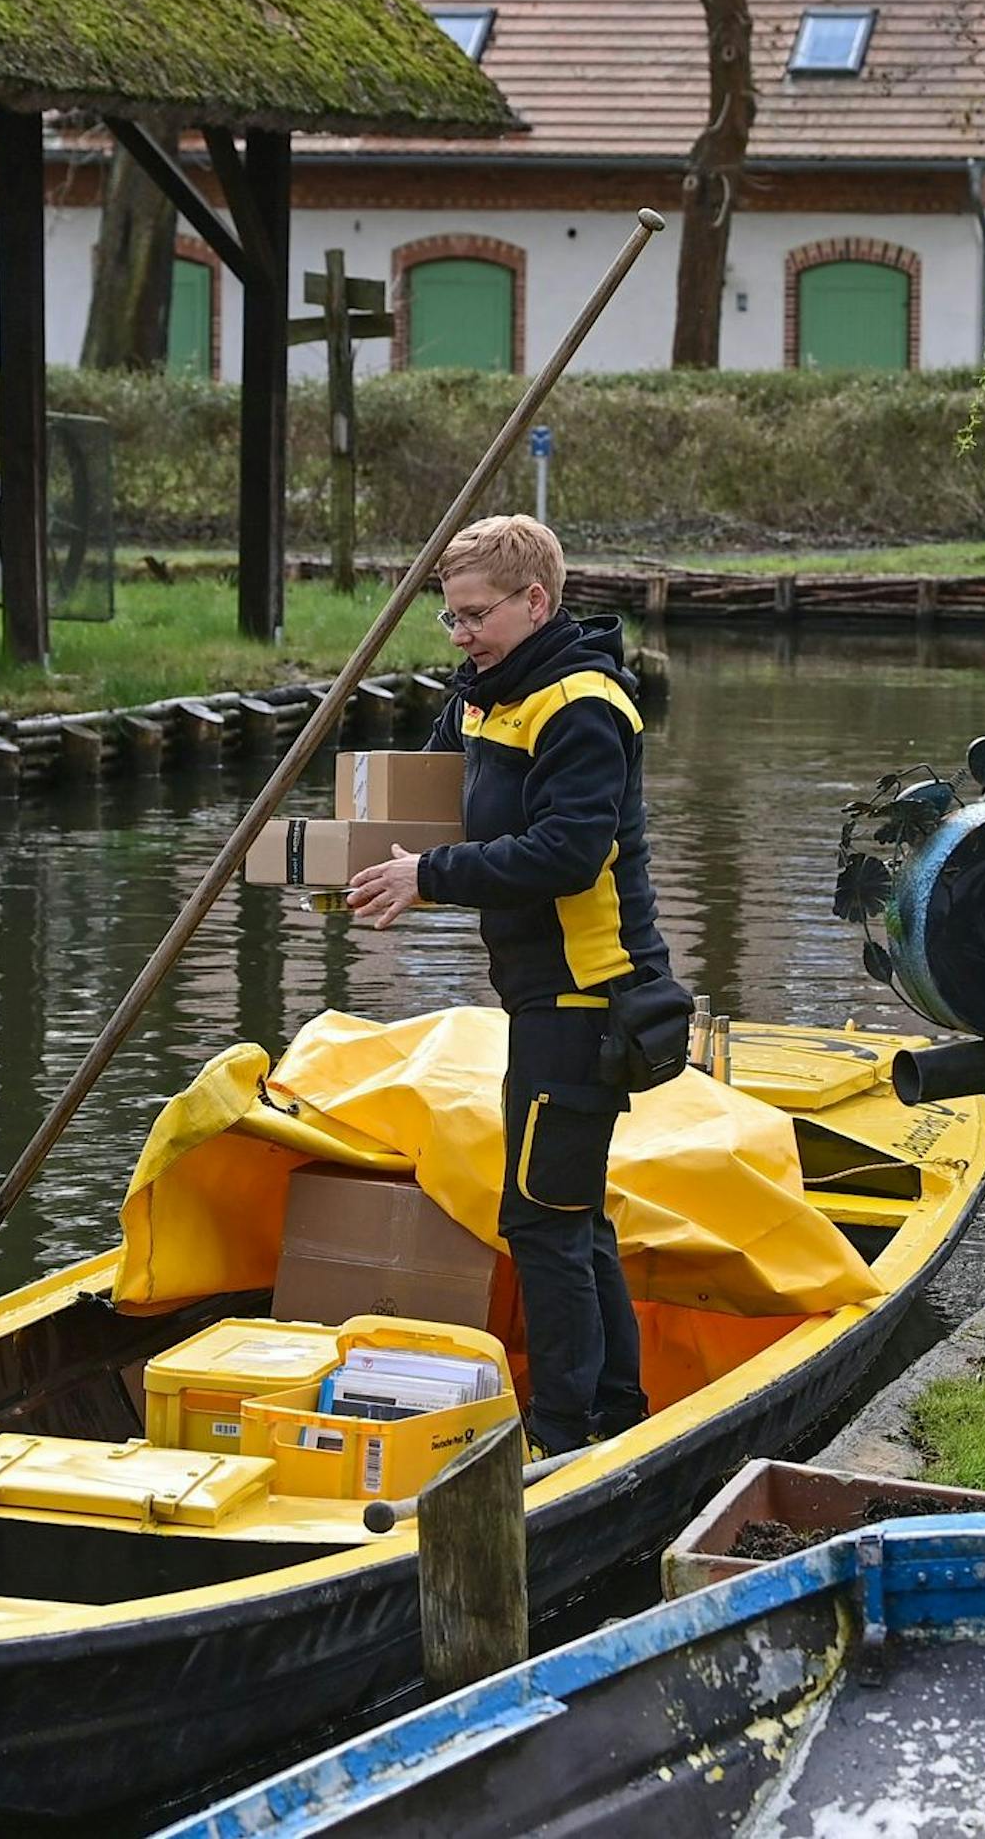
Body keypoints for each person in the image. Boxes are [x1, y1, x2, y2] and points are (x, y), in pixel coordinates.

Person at [346, 513, 671, 1457]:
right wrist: (351, 856)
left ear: (537, 601)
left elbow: (569, 855)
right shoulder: (489, 693)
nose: (461, 636)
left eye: (476, 616)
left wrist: (429, 876)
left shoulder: (580, 705)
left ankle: (565, 1443)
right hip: (540, 995)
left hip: (590, 997)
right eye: (448, 619)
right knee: (572, 1212)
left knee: (542, 1221)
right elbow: (432, 787)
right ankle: (617, 1411)